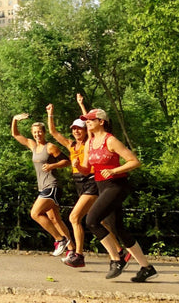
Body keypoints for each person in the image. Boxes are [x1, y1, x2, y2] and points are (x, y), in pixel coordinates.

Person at [46, 101, 130, 268]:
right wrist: (50, 113)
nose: (76, 131)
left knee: (74, 217)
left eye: (80, 128)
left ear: (86, 129)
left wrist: (83, 107)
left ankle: (78, 255)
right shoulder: (71, 145)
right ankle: (119, 251)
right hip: (79, 183)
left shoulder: (90, 142)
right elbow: (53, 132)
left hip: (91, 181)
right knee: (102, 221)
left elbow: (91, 126)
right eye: (74, 129)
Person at [79, 108, 158, 282]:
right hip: (102, 186)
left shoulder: (111, 140)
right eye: (86, 120)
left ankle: (117, 259)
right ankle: (147, 268)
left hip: (116, 186)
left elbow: (135, 161)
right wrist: (77, 166)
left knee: (91, 220)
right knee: (118, 228)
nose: (88, 122)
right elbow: (86, 169)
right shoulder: (89, 144)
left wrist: (114, 170)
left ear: (101, 121)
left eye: (91, 119)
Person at [11, 113, 74, 256]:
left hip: (52, 186)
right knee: (55, 219)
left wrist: (52, 166)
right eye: (34, 132)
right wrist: (15, 119)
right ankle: (72, 251)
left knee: (35, 213)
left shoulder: (50, 147)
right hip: (43, 188)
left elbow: (67, 161)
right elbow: (15, 134)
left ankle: (60, 239)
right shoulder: (33, 146)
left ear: (44, 132)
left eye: (39, 131)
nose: (37, 134)